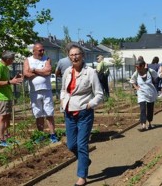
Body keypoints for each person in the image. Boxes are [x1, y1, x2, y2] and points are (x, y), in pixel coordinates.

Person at [60, 43, 104, 186]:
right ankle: (85, 161)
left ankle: (82, 177)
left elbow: (99, 94)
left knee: (82, 144)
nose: (74, 57)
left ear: (82, 55)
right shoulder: (67, 71)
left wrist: (89, 105)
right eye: (71, 55)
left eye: (77, 54)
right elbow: (63, 90)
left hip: (84, 112)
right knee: (71, 145)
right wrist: (62, 100)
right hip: (69, 112)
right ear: (69, 56)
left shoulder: (90, 72)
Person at [23, 42, 58, 143]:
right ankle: (41, 134)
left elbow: (48, 72)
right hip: (34, 91)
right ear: (34, 51)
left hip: (46, 90)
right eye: (40, 50)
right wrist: (41, 71)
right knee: (38, 113)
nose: (42, 52)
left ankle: (52, 134)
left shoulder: (47, 59)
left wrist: (33, 70)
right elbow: (26, 74)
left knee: (49, 112)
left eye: (43, 50)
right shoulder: (28, 60)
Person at [0, 51, 23, 147]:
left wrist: (14, 79)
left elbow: (6, 80)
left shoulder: (5, 67)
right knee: (2, 117)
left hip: (7, 95)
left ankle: (7, 137)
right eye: (12, 59)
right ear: (7, 59)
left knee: (7, 117)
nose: (13, 61)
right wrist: (10, 82)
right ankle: (1, 140)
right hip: (2, 97)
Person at [130, 58, 158, 131]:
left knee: (150, 108)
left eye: (138, 67)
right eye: (136, 67)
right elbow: (132, 80)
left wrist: (153, 84)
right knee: (142, 109)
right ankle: (143, 125)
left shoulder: (150, 71)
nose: (137, 68)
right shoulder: (136, 73)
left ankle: (149, 123)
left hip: (150, 93)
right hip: (141, 93)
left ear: (142, 66)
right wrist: (136, 87)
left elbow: (156, 77)